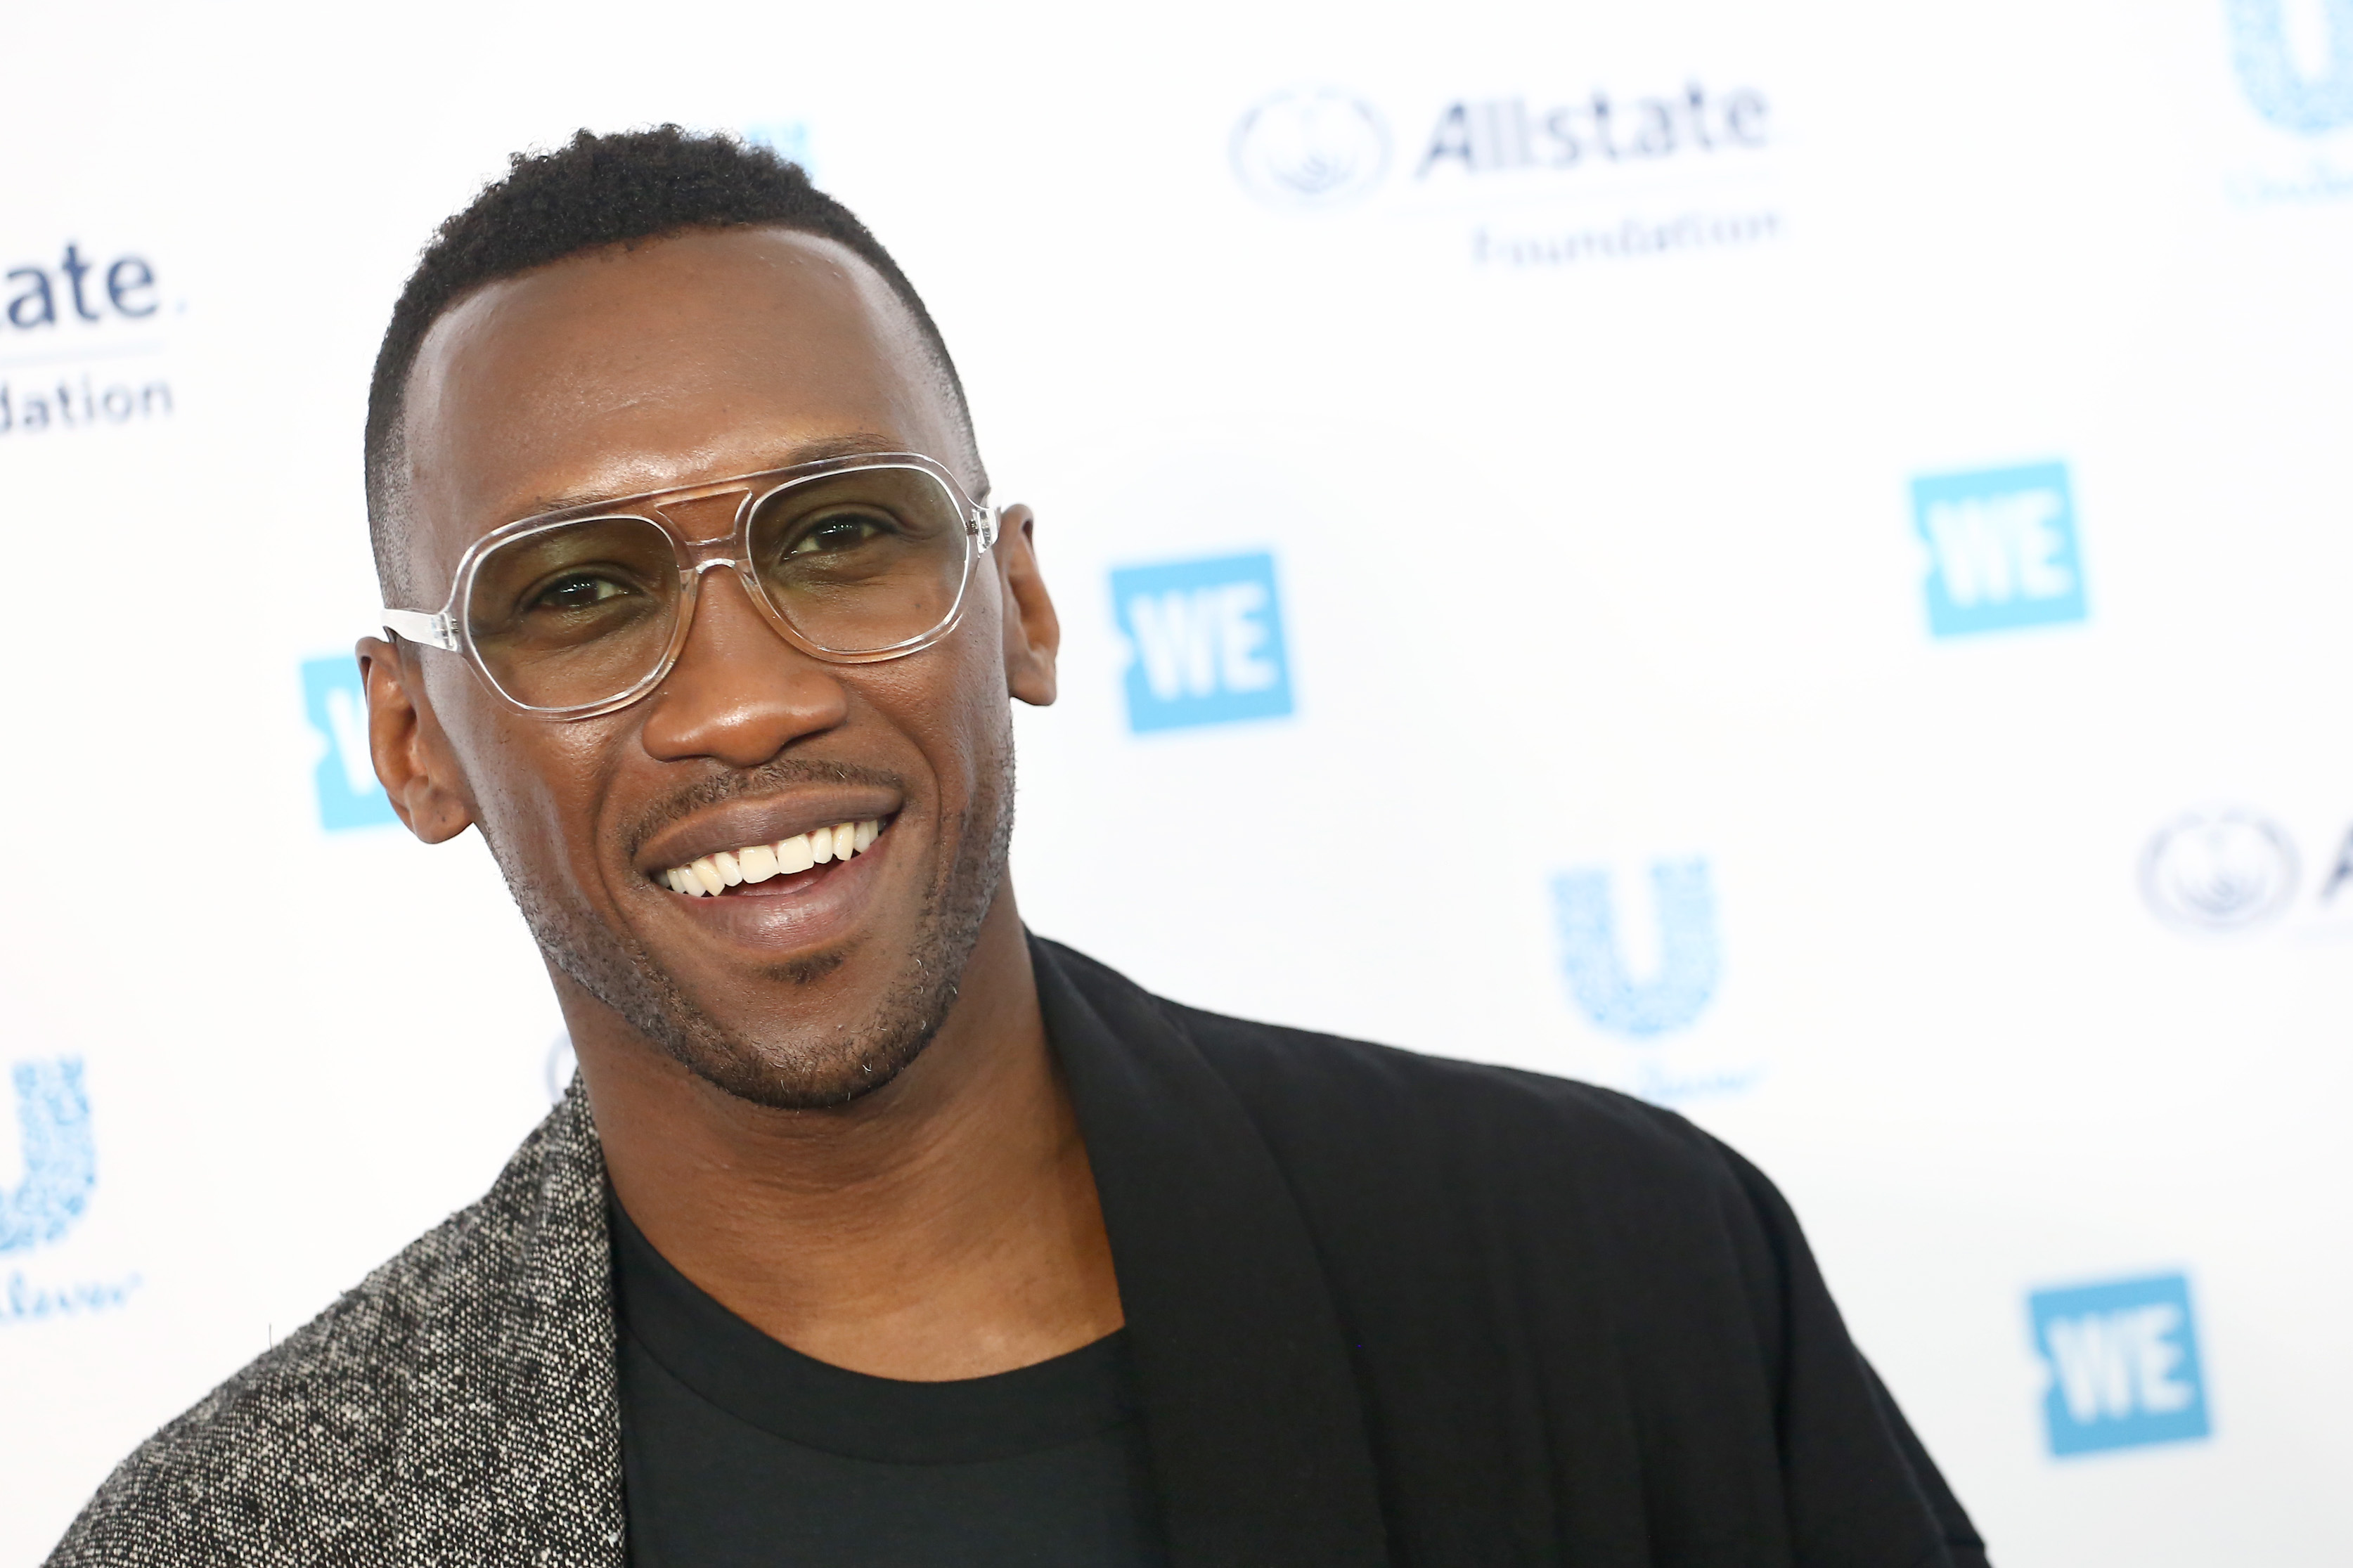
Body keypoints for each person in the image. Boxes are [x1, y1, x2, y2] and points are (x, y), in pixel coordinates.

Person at [48, 127, 1990, 1568]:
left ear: (1022, 609)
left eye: (837, 534)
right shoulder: (243, 1536)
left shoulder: (1623, 1277)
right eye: (575, 592)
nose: (740, 702)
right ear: (415, 741)